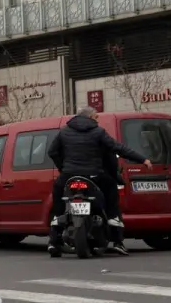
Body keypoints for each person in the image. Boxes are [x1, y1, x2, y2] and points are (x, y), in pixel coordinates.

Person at [45, 108, 151, 257]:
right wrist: (142, 159)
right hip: (94, 175)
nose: (97, 120)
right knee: (111, 193)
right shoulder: (98, 132)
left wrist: (63, 168)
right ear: (91, 117)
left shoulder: (64, 132)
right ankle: (117, 240)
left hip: (69, 174)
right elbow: (118, 148)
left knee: (58, 197)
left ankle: (54, 241)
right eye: (96, 117)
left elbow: (52, 152)